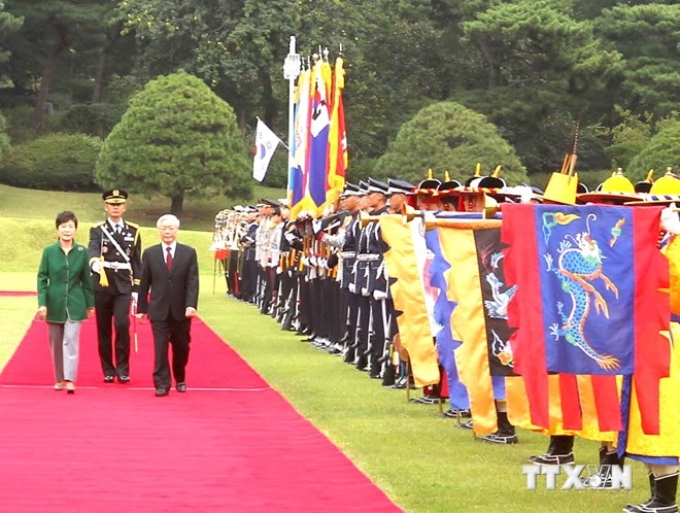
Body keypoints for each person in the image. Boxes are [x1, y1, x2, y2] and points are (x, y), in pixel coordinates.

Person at [136, 214, 199, 397]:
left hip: (181, 310)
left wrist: (191, 304)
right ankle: (162, 383)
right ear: (159, 231)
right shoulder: (150, 253)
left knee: (182, 346)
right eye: (164, 228)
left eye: (171, 228)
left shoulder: (188, 253)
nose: (168, 232)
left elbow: (192, 282)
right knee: (160, 348)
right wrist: (141, 309)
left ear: (177, 230)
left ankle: (180, 377)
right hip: (158, 309)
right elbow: (144, 283)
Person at [37, 211, 95, 394]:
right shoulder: (49, 251)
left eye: (70, 226)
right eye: (63, 226)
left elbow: (87, 280)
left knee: (70, 340)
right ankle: (59, 378)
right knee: (56, 342)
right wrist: (42, 303)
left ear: (75, 230)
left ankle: (70, 379)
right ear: (58, 229)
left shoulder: (82, 252)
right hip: (54, 303)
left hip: (75, 303)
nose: (67, 230)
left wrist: (90, 304)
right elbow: (42, 278)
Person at [88, 189, 142, 384]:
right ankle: (108, 370)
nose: (116, 207)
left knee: (121, 324)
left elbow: (136, 262)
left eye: (119, 204)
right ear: (106, 207)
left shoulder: (134, 231)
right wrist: (94, 262)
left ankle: (123, 368)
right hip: (103, 283)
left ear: (125, 207)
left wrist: (137, 289)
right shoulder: (98, 229)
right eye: (112, 204)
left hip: (123, 285)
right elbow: (93, 248)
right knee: (103, 330)